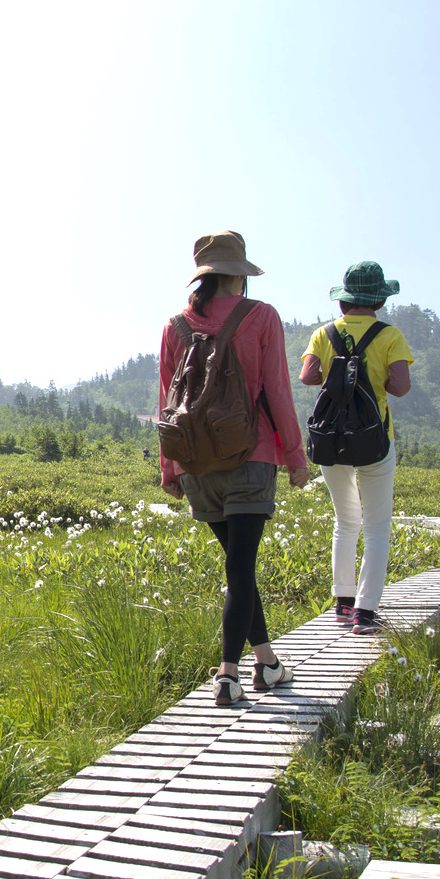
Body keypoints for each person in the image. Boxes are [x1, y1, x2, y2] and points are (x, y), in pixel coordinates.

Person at [159, 230, 312, 707]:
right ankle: (228, 675)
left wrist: (171, 468)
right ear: (238, 274)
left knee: (239, 567)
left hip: (198, 465)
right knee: (241, 568)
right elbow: (277, 391)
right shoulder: (261, 316)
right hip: (252, 455)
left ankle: (267, 664)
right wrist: (295, 457)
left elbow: (168, 401)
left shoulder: (174, 326)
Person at [300, 260, 415, 635]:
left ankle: (342, 604)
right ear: (378, 301)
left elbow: (307, 377)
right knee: (377, 526)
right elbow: (400, 387)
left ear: (343, 302)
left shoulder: (324, 333)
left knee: (345, 522)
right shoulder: (390, 335)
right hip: (375, 439)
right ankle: (365, 613)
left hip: (331, 439)